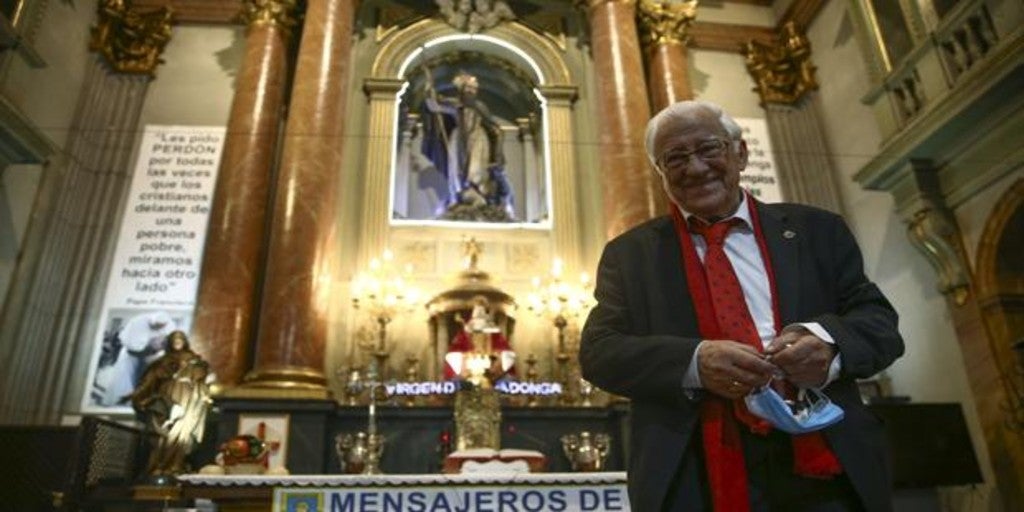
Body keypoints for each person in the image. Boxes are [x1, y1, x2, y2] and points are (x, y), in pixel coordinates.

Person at [579, 100, 904, 511]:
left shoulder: (817, 230)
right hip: (695, 467)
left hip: (826, 460)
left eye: (708, 149)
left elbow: (879, 323)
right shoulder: (631, 255)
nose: (695, 168)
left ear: (741, 153)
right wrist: (695, 362)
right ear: (661, 174)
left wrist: (829, 346)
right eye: (675, 158)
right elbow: (598, 352)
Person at [421, 70, 515, 220]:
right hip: (458, 140)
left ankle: (477, 196)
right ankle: (459, 196)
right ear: (461, 90)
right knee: (456, 169)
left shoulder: (480, 107)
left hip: (478, 139)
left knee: (475, 169)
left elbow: (494, 128)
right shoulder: (454, 105)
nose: (471, 92)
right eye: (468, 88)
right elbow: (433, 106)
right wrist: (428, 92)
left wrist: (497, 152)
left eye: (474, 89)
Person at [128, 330, 212, 477]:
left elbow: (202, 380)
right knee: (163, 434)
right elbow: (150, 380)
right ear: (170, 342)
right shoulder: (163, 361)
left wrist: (202, 394)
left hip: (188, 400)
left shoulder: (195, 360)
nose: (177, 341)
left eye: (180, 338)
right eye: (174, 339)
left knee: (183, 432)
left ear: (185, 341)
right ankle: (157, 466)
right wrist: (138, 395)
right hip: (168, 397)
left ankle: (176, 465)